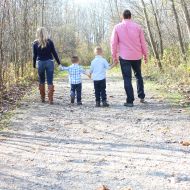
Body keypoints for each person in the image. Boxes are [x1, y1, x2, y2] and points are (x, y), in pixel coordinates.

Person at [111, 10, 148, 107]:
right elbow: (143, 42)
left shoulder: (117, 27)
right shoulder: (138, 27)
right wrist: (145, 55)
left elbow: (113, 43)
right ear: (130, 17)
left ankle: (130, 101)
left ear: (122, 17)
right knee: (138, 75)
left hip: (124, 56)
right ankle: (141, 96)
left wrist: (114, 56)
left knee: (127, 78)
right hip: (137, 55)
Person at [33, 27, 61, 104]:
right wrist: (59, 63)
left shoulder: (35, 43)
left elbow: (34, 55)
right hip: (49, 62)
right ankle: (50, 99)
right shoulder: (50, 42)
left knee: (41, 80)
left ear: (38, 33)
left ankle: (42, 98)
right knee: (50, 81)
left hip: (40, 63)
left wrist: (34, 65)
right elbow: (54, 53)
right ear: (46, 33)